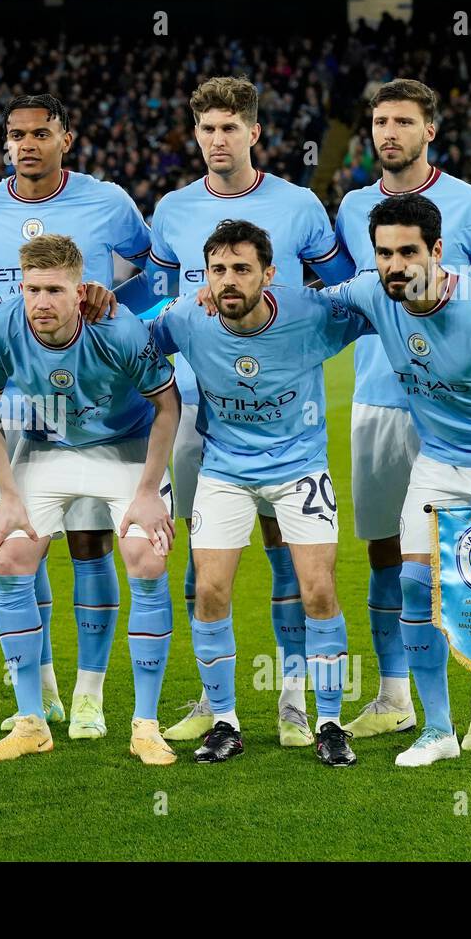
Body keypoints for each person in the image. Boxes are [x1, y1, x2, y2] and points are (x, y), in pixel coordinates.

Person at [149, 76, 356, 747]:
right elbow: (144, 316)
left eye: (229, 128)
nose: (217, 140)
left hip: (289, 417)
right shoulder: (174, 210)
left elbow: (350, 288)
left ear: (253, 132)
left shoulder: (298, 206)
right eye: (206, 128)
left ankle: (299, 701)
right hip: (200, 414)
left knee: (299, 572)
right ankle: (220, 709)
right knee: (206, 575)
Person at [324, 193, 471, 775]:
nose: (394, 265)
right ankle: (437, 730)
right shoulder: (372, 293)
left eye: (408, 251)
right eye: (383, 253)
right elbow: (302, 309)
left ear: (436, 250)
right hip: (440, 461)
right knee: (411, 582)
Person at [335, 79, 471, 749]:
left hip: (462, 416)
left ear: (430, 131)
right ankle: (394, 696)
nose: (387, 132)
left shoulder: (470, 205)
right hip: (378, 402)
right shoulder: (355, 205)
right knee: (387, 552)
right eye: (379, 121)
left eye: (403, 121)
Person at [0, 93, 153, 738]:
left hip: (101, 403)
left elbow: (148, 283)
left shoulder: (110, 203)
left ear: (64, 138)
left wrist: (111, 303)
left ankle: (91, 696)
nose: (26, 145)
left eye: (40, 133)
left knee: (91, 543)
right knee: (22, 549)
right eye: (16, 135)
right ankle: (38, 690)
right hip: (26, 405)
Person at [0, 234, 181, 765]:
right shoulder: (2, 327)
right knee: (9, 552)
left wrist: (150, 491)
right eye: (32, 288)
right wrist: (8, 496)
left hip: (124, 448)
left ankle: (146, 725)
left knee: (147, 557)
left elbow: (168, 407)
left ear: (79, 291)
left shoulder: (119, 330)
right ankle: (32, 721)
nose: (41, 302)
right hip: (47, 445)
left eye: (54, 290)